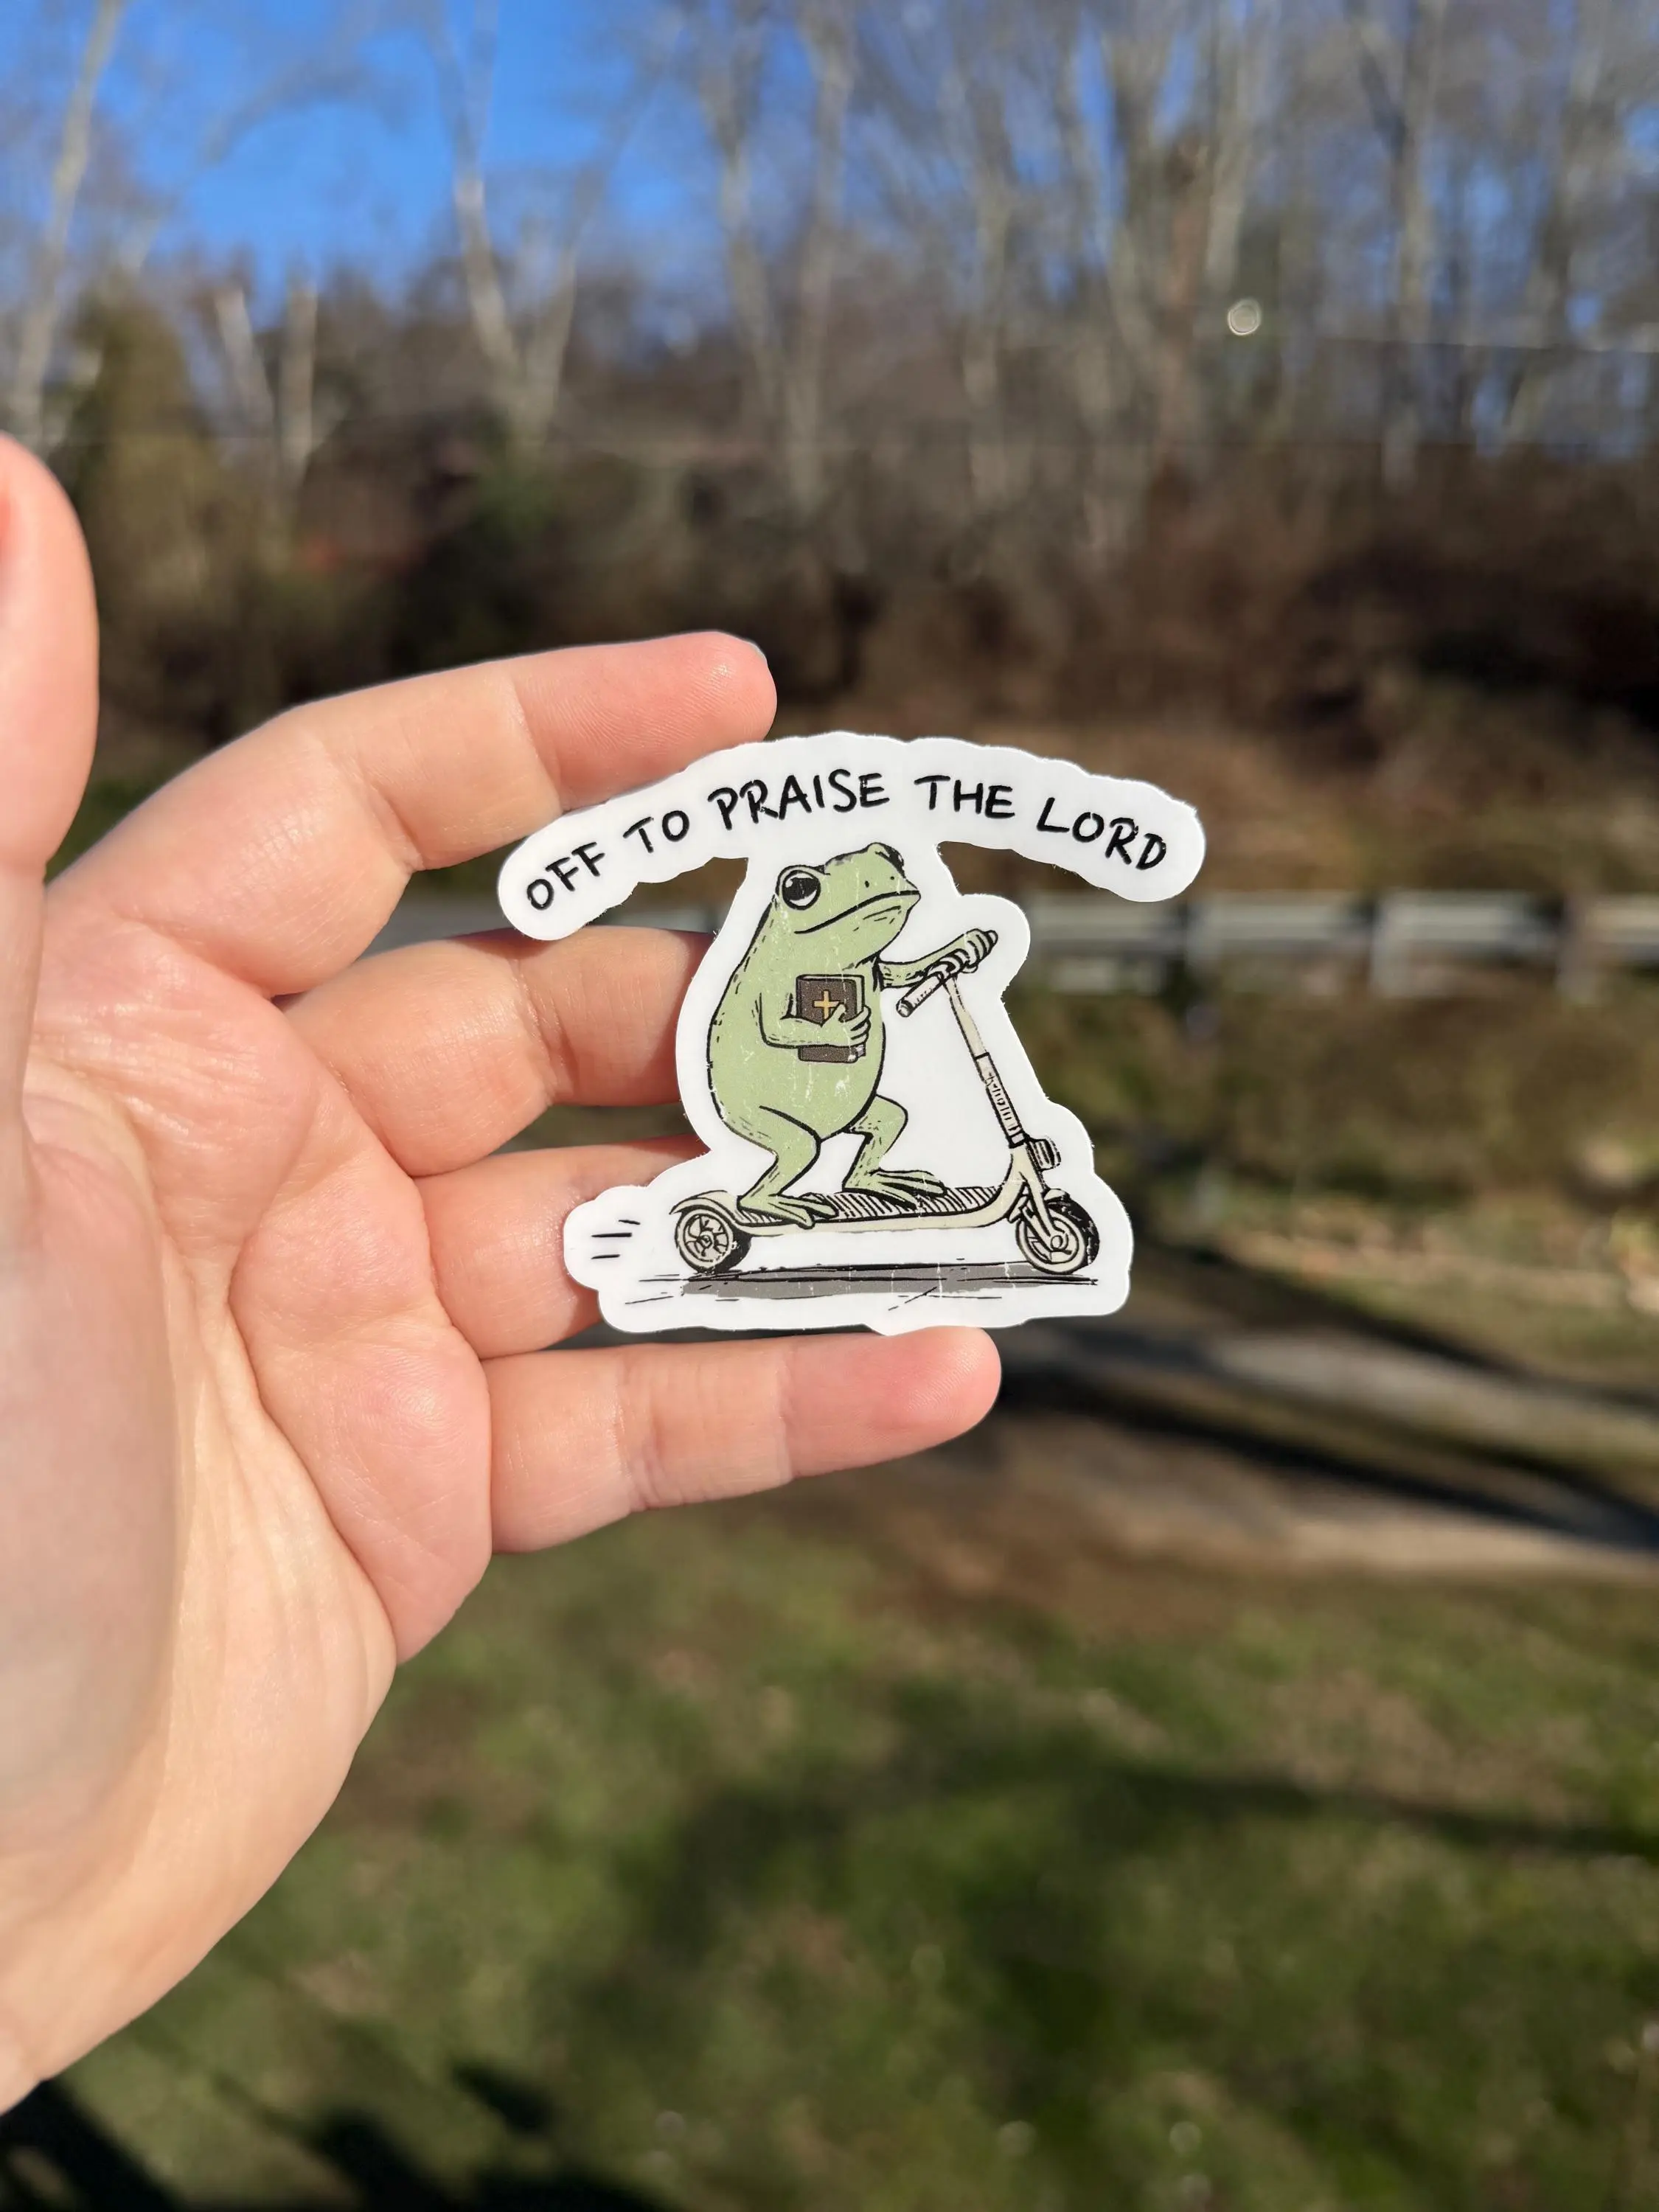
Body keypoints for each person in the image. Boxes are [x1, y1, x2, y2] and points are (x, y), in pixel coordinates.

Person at [0, 439, 1000, 2105]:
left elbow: (854, 990)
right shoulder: (800, 938)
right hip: (775, 1104)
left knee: (855, 1140)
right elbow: (816, 990)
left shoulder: (835, 941)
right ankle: (820, 1178)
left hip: (809, 1113)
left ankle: (851, 1177)